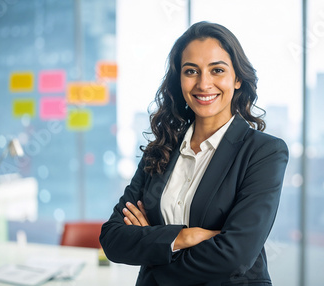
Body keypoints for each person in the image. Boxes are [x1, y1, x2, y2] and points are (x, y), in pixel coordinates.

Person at [100, 21, 289, 285]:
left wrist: (154, 247)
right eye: (191, 71)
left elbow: (234, 256)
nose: (204, 83)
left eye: (217, 70)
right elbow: (112, 238)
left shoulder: (263, 152)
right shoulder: (161, 149)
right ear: (179, 80)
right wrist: (182, 237)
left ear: (237, 79)